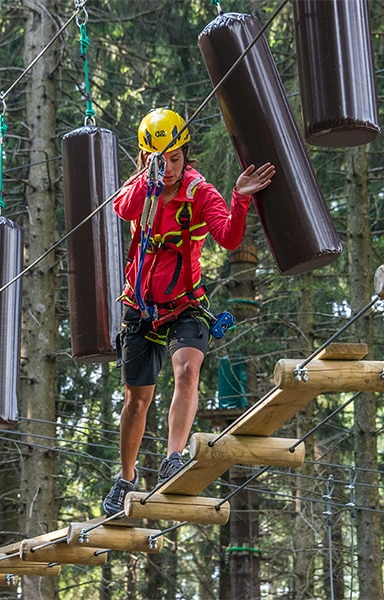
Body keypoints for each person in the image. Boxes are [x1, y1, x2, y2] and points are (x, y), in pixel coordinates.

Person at [102, 107, 275, 516]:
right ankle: (125, 478)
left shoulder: (198, 191)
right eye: (161, 159)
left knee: (187, 370)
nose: (171, 167)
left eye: (176, 158)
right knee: (136, 401)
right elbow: (122, 210)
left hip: (185, 305)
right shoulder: (140, 188)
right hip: (140, 308)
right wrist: (150, 180)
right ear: (147, 158)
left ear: (185, 152)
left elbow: (229, 238)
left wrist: (239, 198)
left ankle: (173, 456)